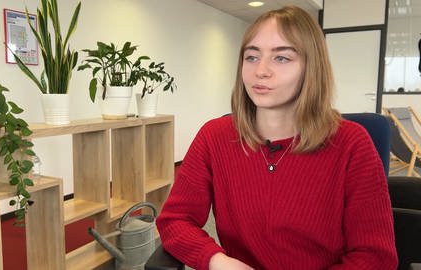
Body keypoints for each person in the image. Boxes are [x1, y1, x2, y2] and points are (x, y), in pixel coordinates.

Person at [156, 5, 398, 270]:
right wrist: (217, 261)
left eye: (281, 58)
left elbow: (375, 257)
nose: (261, 71)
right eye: (251, 57)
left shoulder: (352, 144)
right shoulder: (214, 137)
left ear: (311, 68)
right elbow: (175, 220)